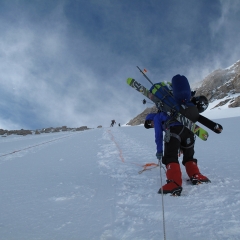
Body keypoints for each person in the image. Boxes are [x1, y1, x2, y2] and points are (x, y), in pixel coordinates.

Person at [145, 75, 210, 196]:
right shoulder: (177, 106)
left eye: (150, 123)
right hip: (189, 129)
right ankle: (196, 175)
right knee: (189, 155)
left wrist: (159, 152)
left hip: (174, 131)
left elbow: (158, 135)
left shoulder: (158, 117)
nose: (152, 124)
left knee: (170, 157)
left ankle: (174, 183)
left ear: (150, 119)